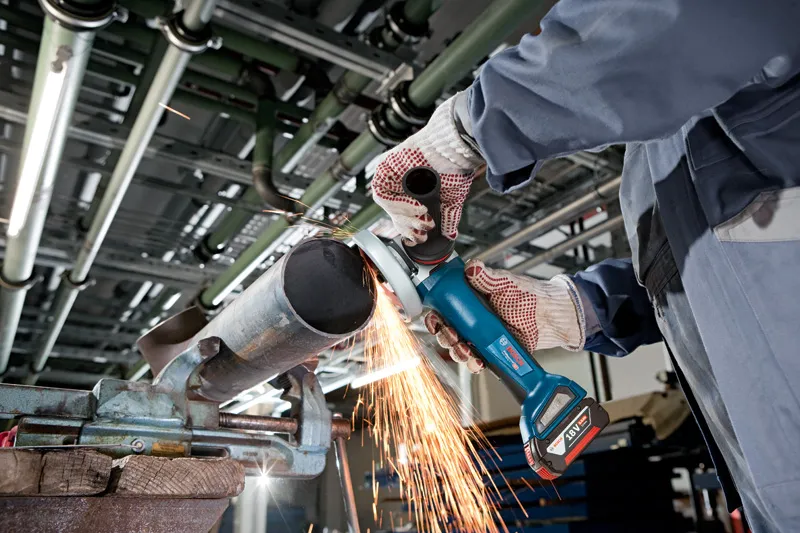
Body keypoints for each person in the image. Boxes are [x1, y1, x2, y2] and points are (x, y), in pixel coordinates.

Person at [371, 0, 800, 531]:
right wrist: (576, 310)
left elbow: (691, 15)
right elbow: (719, 265)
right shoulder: (668, 142)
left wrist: (470, 130)